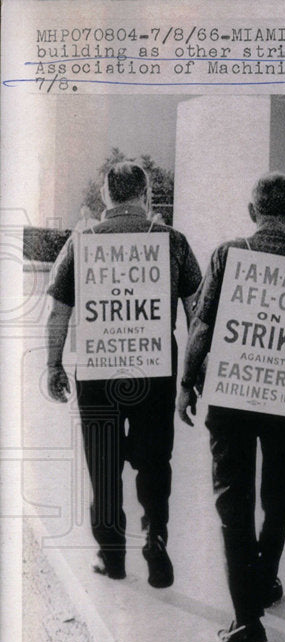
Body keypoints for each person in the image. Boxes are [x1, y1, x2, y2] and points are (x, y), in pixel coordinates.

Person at [176, 173, 285, 642]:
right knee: (278, 492)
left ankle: (246, 616)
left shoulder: (227, 254)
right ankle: (266, 578)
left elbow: (202, 326)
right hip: (283, 399)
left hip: (230, 396)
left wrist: (186, 383)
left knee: (233, 500)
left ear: (251, 212)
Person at [45, 161, 202, 586]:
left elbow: (60, 309)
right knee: (154, 461)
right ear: (146, 195)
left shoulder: (82, 242)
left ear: (107, 197)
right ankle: (155, 535)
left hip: (98, 372)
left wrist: (52, 363)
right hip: (156, 370)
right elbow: (197, 313)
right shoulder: (173, 242)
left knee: (103, 463)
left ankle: (111, 556)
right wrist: (192, 375)